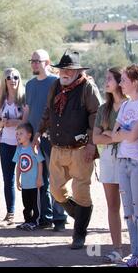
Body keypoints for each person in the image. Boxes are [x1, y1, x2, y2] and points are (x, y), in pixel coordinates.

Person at [35, 50, 102, 249]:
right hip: (57, 147)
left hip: (81, 149)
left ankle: (79, 234)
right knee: (56, 191)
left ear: (77, 71)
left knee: (81, 192)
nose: (64, 73)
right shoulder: (56, 85)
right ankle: (81, 215)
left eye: (68, 70)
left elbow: (97, 115)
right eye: (62, 69)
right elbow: (48, 109)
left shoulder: (87, 87)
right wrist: (39, 131)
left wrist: (92, 143)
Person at [111, 64, 138, 267]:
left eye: (124, 80)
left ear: (135, 82)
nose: (121, 84)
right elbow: (114, 134)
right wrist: (124, 133)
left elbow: (134, 134)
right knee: (128, 210)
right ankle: (135, 252)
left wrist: (124, 133)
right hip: (123, 162)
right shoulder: (126, 106)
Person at [26, 49, 67, 232]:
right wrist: (25, 132)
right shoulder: (29, 85)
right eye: (32, 60)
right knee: (40, 179)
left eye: (38, 60)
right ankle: (45, 217)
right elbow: (28, 110)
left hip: (52, 137)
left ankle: (60, 217)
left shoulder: (55, 83)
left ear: (47, 62)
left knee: (56, 177)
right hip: (33, 138)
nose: (34, 63)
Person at [92, 67, 127, 263]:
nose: (106, 82)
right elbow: (95, 138)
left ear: (120, 82)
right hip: (107, 160)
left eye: (109, 79)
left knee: (134, 206)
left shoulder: (130, 106)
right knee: (112, 205)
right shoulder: (103, 109)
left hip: (127, 159)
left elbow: (131, 138)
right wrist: (115, 137)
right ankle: (117, 249)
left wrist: (109, 136)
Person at [0, 68, 28, 226]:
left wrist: (13, 122)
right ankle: (10, 214)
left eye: (16, 77)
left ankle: (31, 214)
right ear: (5, 80)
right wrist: (3, 122)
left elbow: (27, 121)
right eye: (9, 77)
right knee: (7, 179)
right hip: (5, 143)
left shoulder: (23, 98)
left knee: (27, 178)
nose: (13, 80)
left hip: (22, 144)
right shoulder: (2, 100)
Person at [13, 122, 44, 231]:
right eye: (17, 134)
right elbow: (18, 166)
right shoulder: (19, 149)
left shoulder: (34, 147)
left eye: (21, 133)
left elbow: (40, 162)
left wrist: (40, 178)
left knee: (35, 205)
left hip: (35, 184)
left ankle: (35, 221)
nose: (18, 136)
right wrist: (17, 180)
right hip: (25, 184)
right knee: (26, 205)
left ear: (29, 135)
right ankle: (27, 221)